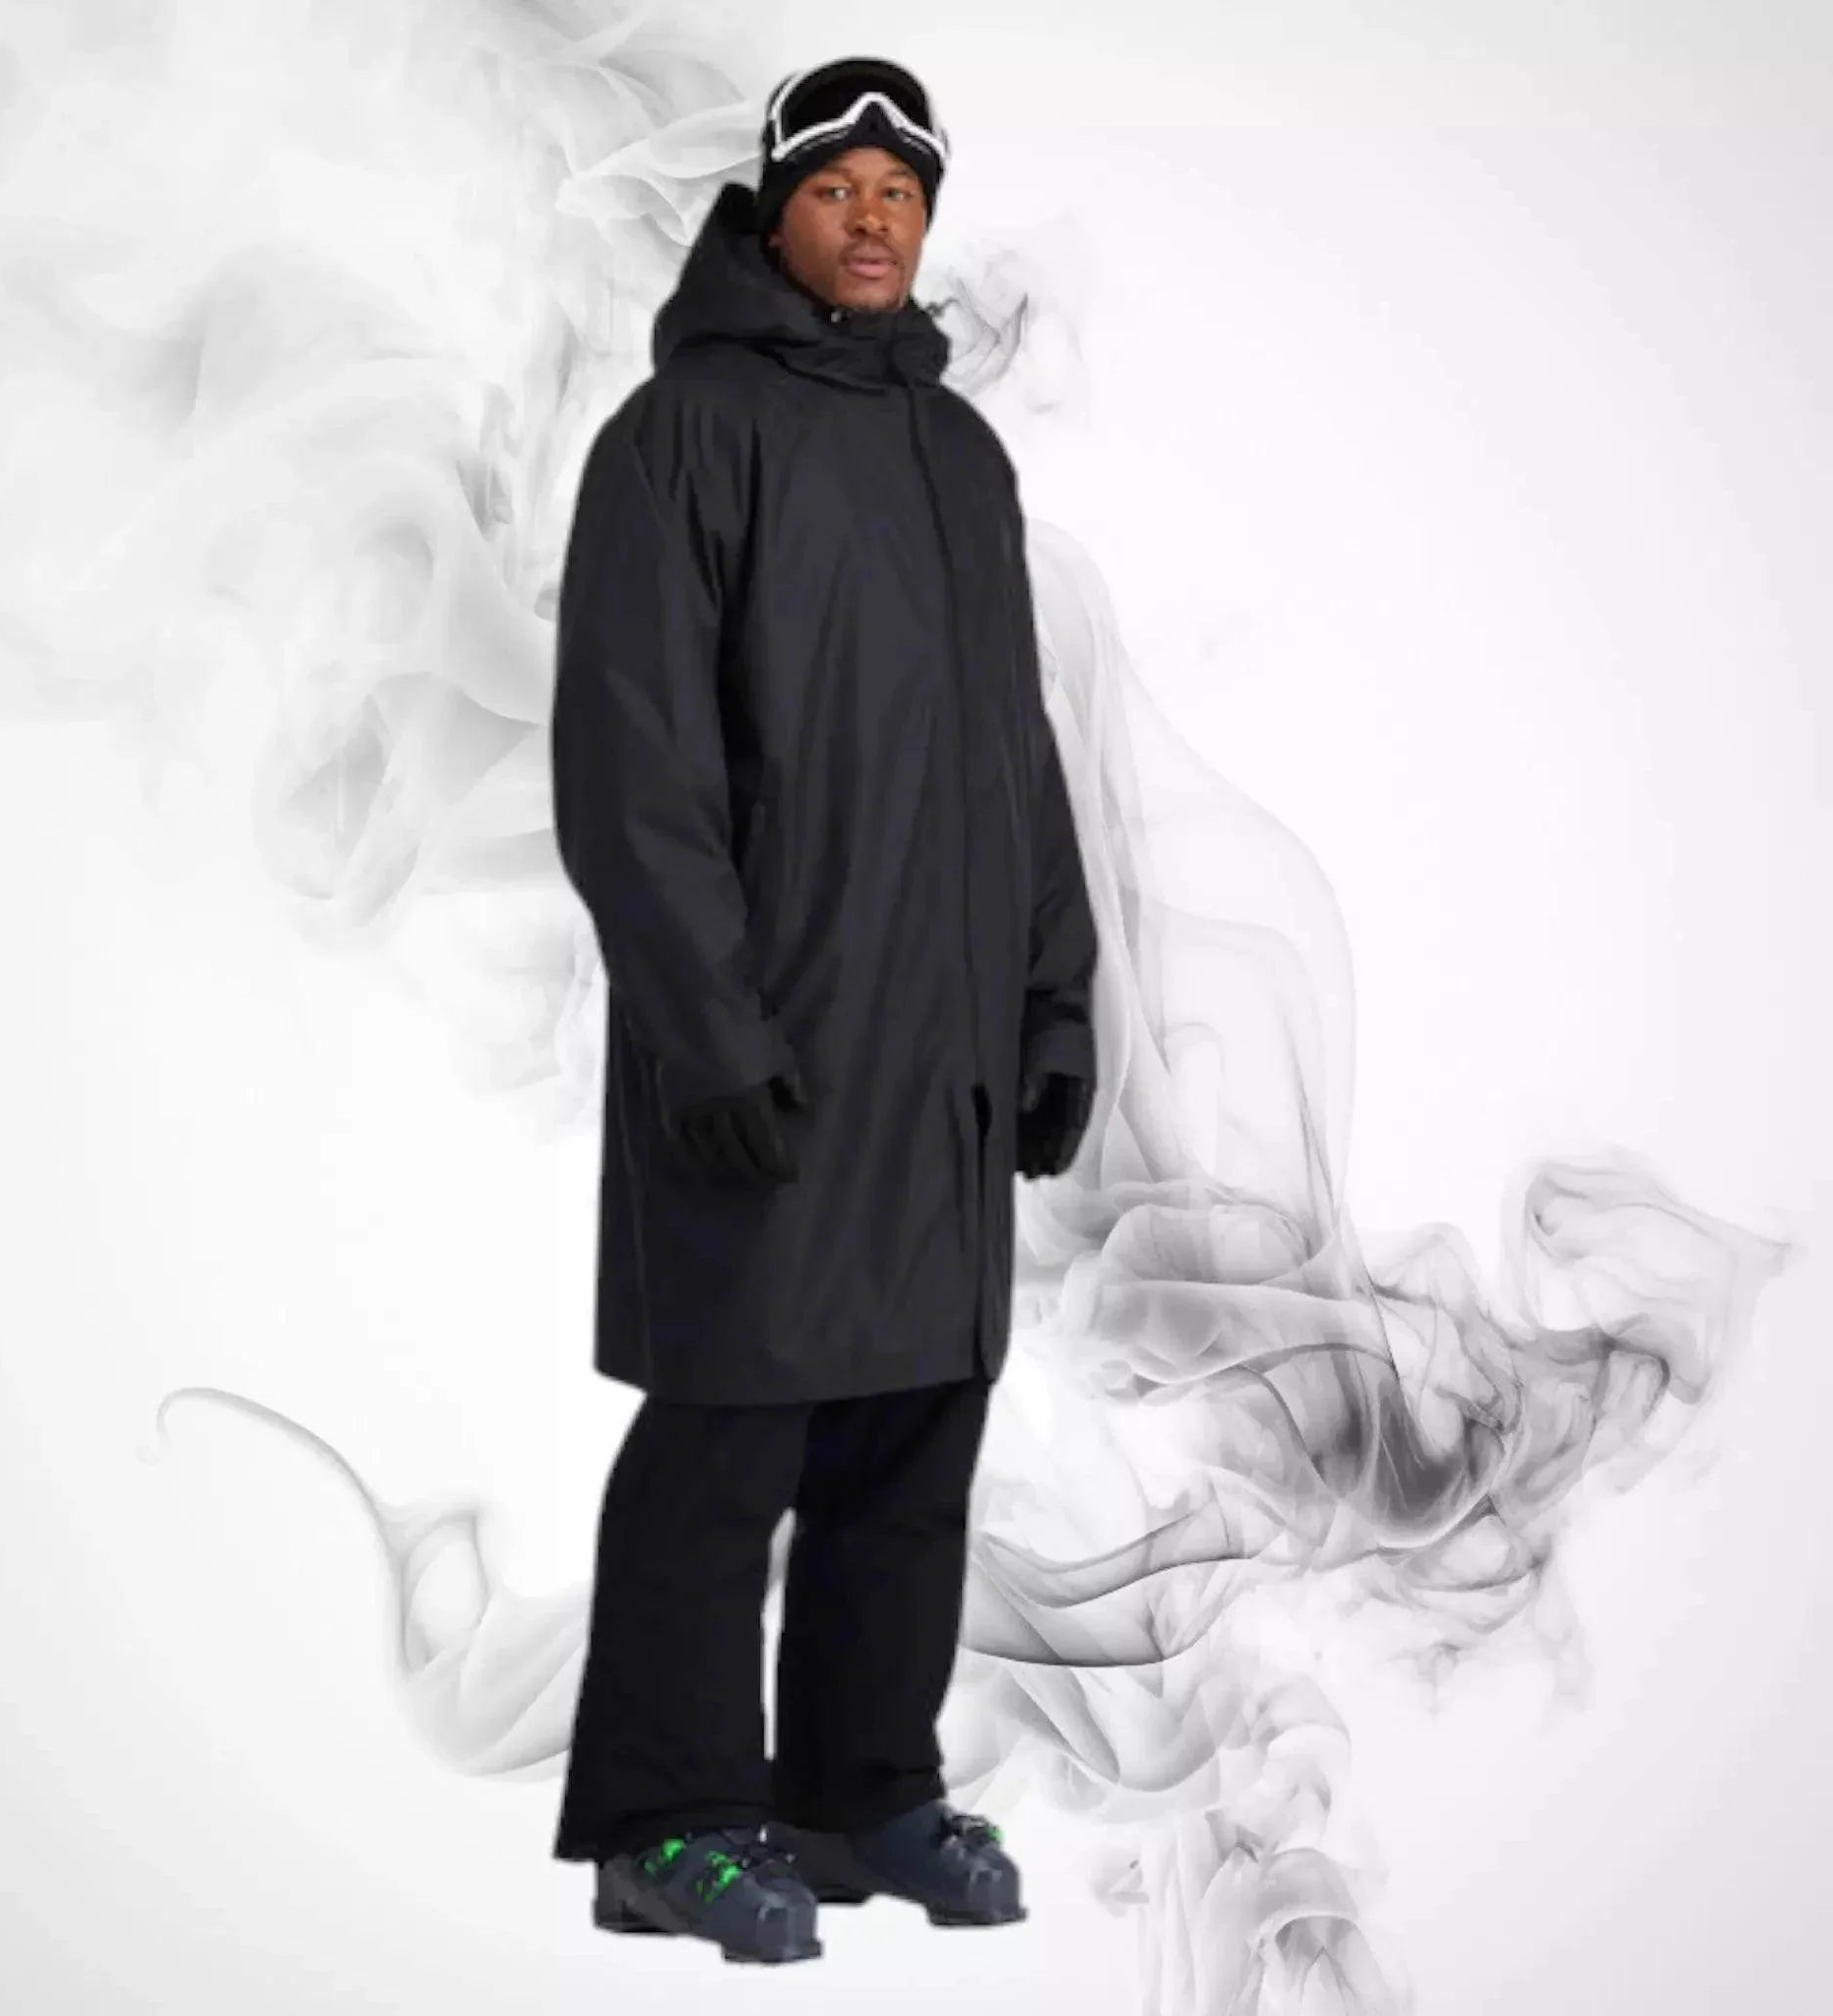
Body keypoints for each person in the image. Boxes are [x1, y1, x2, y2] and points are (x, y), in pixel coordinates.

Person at [546, 54, 1099, 1966]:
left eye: (903, 192)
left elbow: (1014, 755)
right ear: (772, 210)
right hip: (772, 1042)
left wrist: (1053, 1000)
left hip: (941, 1054)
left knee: (913, 1432)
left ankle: (858, 1792)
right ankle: (664, 1822)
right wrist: (706, 1030)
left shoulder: (962, 458)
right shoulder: (679, 437)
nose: (874, 220)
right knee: (730, 1436)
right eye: (839, 186)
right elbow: (631, 766)